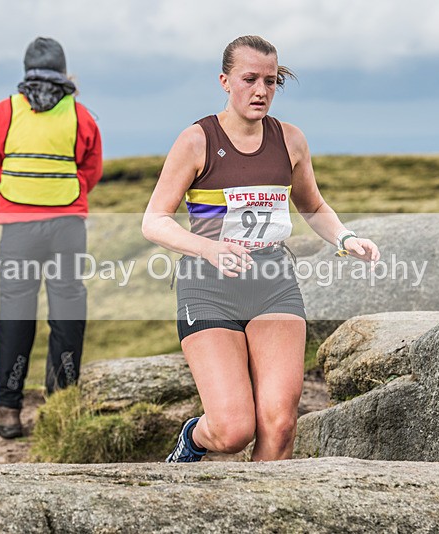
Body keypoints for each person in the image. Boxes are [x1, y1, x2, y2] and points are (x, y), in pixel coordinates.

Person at [142, 35, 379, 462]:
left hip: (272, 284)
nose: (261, 91)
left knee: (280, 426)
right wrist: (208, 249)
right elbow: (153, 221)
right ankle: (194, 438)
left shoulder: (290, 140)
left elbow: (313, 205)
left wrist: (345, 238)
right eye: (249, 79)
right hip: (209, 285)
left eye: (271, 81)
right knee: (233, 430)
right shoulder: (196, 140)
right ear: (225, 81)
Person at [0, 36, 103, 439]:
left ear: (26, 71)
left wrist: (8, 200)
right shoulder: (81, 116)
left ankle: (8, 410)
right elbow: (91, 169)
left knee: (16, 312)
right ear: (64, 74)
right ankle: (59, 409)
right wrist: (68, 196)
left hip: (18, 228)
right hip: (67, 227)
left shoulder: (3, 113)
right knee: (67, 310)